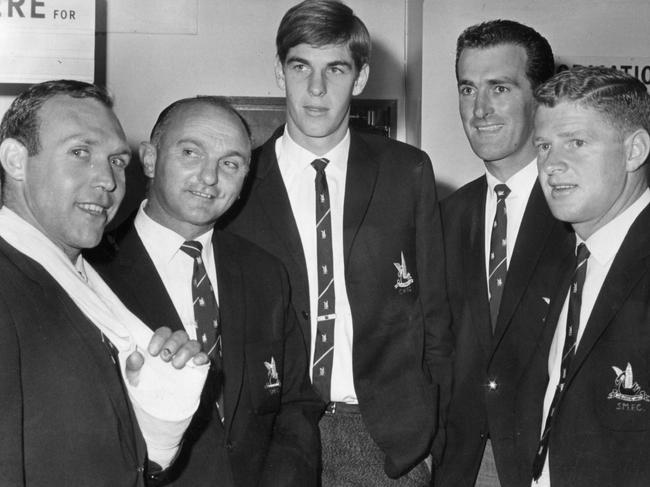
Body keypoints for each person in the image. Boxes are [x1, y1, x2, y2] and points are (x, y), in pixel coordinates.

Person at [222, 1, 453, 485]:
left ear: (361, 78)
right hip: (275, 437)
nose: (317, 89)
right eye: (301, 66)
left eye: (336, 69)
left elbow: (435, 316)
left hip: (386, 439)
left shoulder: (405, 171)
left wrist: (430, 441)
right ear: (279, 71)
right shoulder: (239, 182)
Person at [88, 96, 324, 487]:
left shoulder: (265, 273)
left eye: (230, 163)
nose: (210, 177)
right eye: (190, 153)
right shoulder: (94, 272)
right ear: (149, 159)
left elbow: (295, 405)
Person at [0, 79, 209, 486]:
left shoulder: (85, 283)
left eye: (116, 161)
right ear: (15, 160)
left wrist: (160, 405)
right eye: (80, 152)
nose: (109, 181)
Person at [437, 20, 573, 486]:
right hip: (459, 465)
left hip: (551, 461)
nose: (480, 109)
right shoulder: (444, 216)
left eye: (500, 88)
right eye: (468, 88)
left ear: (541, 95)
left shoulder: (582, 212)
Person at [519, 66, 650, 487]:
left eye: (576, 142)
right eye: (543, 146)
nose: (552, 165)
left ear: (635, 151)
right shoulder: (558, 255)